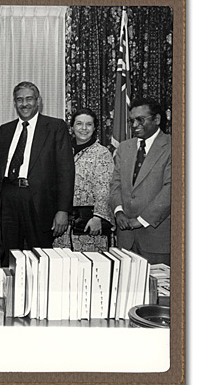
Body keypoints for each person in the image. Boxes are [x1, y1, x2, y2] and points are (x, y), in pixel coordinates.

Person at [0, 81, 74, 264]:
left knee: (41, 258)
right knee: (9, 255)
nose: (24, 104)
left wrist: (63, 210)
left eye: (29, 99)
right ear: (14, 103)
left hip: (39, 201)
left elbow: (66, 171)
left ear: (38, 101)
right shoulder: (5, 130)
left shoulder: (55, 127)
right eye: (19, 100)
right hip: (9, 197)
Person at [109, 98, 171, 265]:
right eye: (131, 121)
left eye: (140, 120)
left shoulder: (174, 146)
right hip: (126, 239)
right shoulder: (124, 147)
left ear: (157, 119)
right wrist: (119, 211)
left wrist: (141, 220)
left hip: (157, 238)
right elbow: (115, 184)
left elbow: (171, 190)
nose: (134, 125)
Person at [53, 108, 114, 252]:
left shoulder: (102, 153)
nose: (84, 128)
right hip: (62, 223)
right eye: (79, 124)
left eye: (89, 124)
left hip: (89, 223)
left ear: (95, 128)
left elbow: (104, 187)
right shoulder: (62, 150)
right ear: (72, 127)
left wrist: (98, 217)